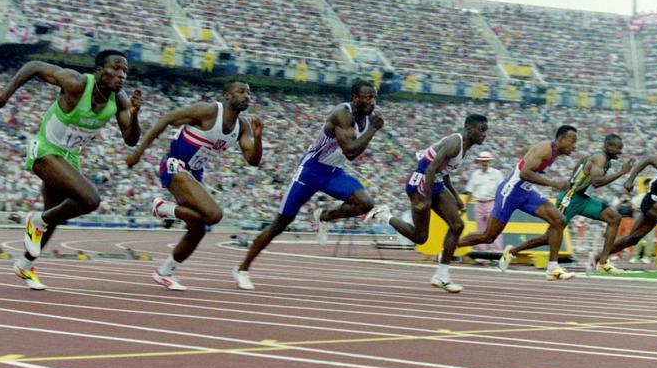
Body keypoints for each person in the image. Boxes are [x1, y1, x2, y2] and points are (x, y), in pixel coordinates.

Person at [0, 50, 140, 290]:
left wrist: (135, 114)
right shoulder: (77, 83)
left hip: (69, 157)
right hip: (46, 149)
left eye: (125, 71)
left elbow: (130, 139)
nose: (122, 75)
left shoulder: (119, 100)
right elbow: (35, 64)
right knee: (90, 199)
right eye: (116, 68)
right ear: (100, 70)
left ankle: (25, 265)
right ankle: (36, 220)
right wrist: (5, 95)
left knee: (54, 215)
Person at [233, 79, 384, 290]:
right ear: (355, 98)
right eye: (368, 97)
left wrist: (371, 128)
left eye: (374, 97)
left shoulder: (367, 120)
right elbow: (350, 151)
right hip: (311, 171)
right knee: (280, 224)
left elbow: (352, 152)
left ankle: (324, 216)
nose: (372, 102)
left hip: (333, 173)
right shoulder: (342, 113)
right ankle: (243, 268)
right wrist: (373, 130)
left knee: (365, 203)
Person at [125, 81, 263, 290]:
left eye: (249, 93)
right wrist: (138, 152)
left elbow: (252, 160)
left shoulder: (242, 126)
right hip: (174, 165)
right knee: (215, 215)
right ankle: (163, 208)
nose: (246, 96)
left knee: (199, 228)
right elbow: (165, 119)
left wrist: (258, 138)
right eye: (241, 92)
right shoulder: (207, 111)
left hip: (194, 175)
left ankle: (165, 272)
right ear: (226, 95)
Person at [380, 114, 489, 292]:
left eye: (486, 131)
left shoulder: (464, 147)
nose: (485, 135)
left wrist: (455, 196)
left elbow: (443, 172)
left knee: (457, 225)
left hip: (435, 182)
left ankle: (442, 275)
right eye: (482, 130)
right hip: (419, 183)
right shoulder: (455, 143)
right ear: (470, 128)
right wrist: (426, 199)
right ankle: (385, 215)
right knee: (421, 237)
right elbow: (430, 169)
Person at [457, 125, 580, 281]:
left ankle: (552, 268)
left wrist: (527, 155)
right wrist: (554, 183)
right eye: (572, 141)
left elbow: (527, 156)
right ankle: (452, 246)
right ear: (560, 139)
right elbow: (524, 173)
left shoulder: (552, 151)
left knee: (559, 221)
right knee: (488, 236)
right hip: (511, 192)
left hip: (526, 192)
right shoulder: (546, 149)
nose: (574, 146)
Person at [500, 133, 634, 275]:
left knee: (614, 218)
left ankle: (603, 262)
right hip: (570, 198)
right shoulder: (600, 158)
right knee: (548, 238)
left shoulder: (600, 157)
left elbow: (579, 163)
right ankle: (512, 251)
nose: (620, 152)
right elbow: (597, 182)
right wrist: (621, 172)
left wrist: (574, 181)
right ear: (608, 146)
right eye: (618, 148)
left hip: (581, 198)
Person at [463, 150, 504, 252]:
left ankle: (496, 253)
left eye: (486, 161)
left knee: (494, 228)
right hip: (478, 204)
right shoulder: (475, 174)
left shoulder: (496, 174)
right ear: (480, 162)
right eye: (482, 161)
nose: (484, 163)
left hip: (492, 203)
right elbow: (470, 191)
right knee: (480, 230)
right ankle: (481, 256)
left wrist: (500, 204)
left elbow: (502, 190)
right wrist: (465, 205)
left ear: (489, 162)